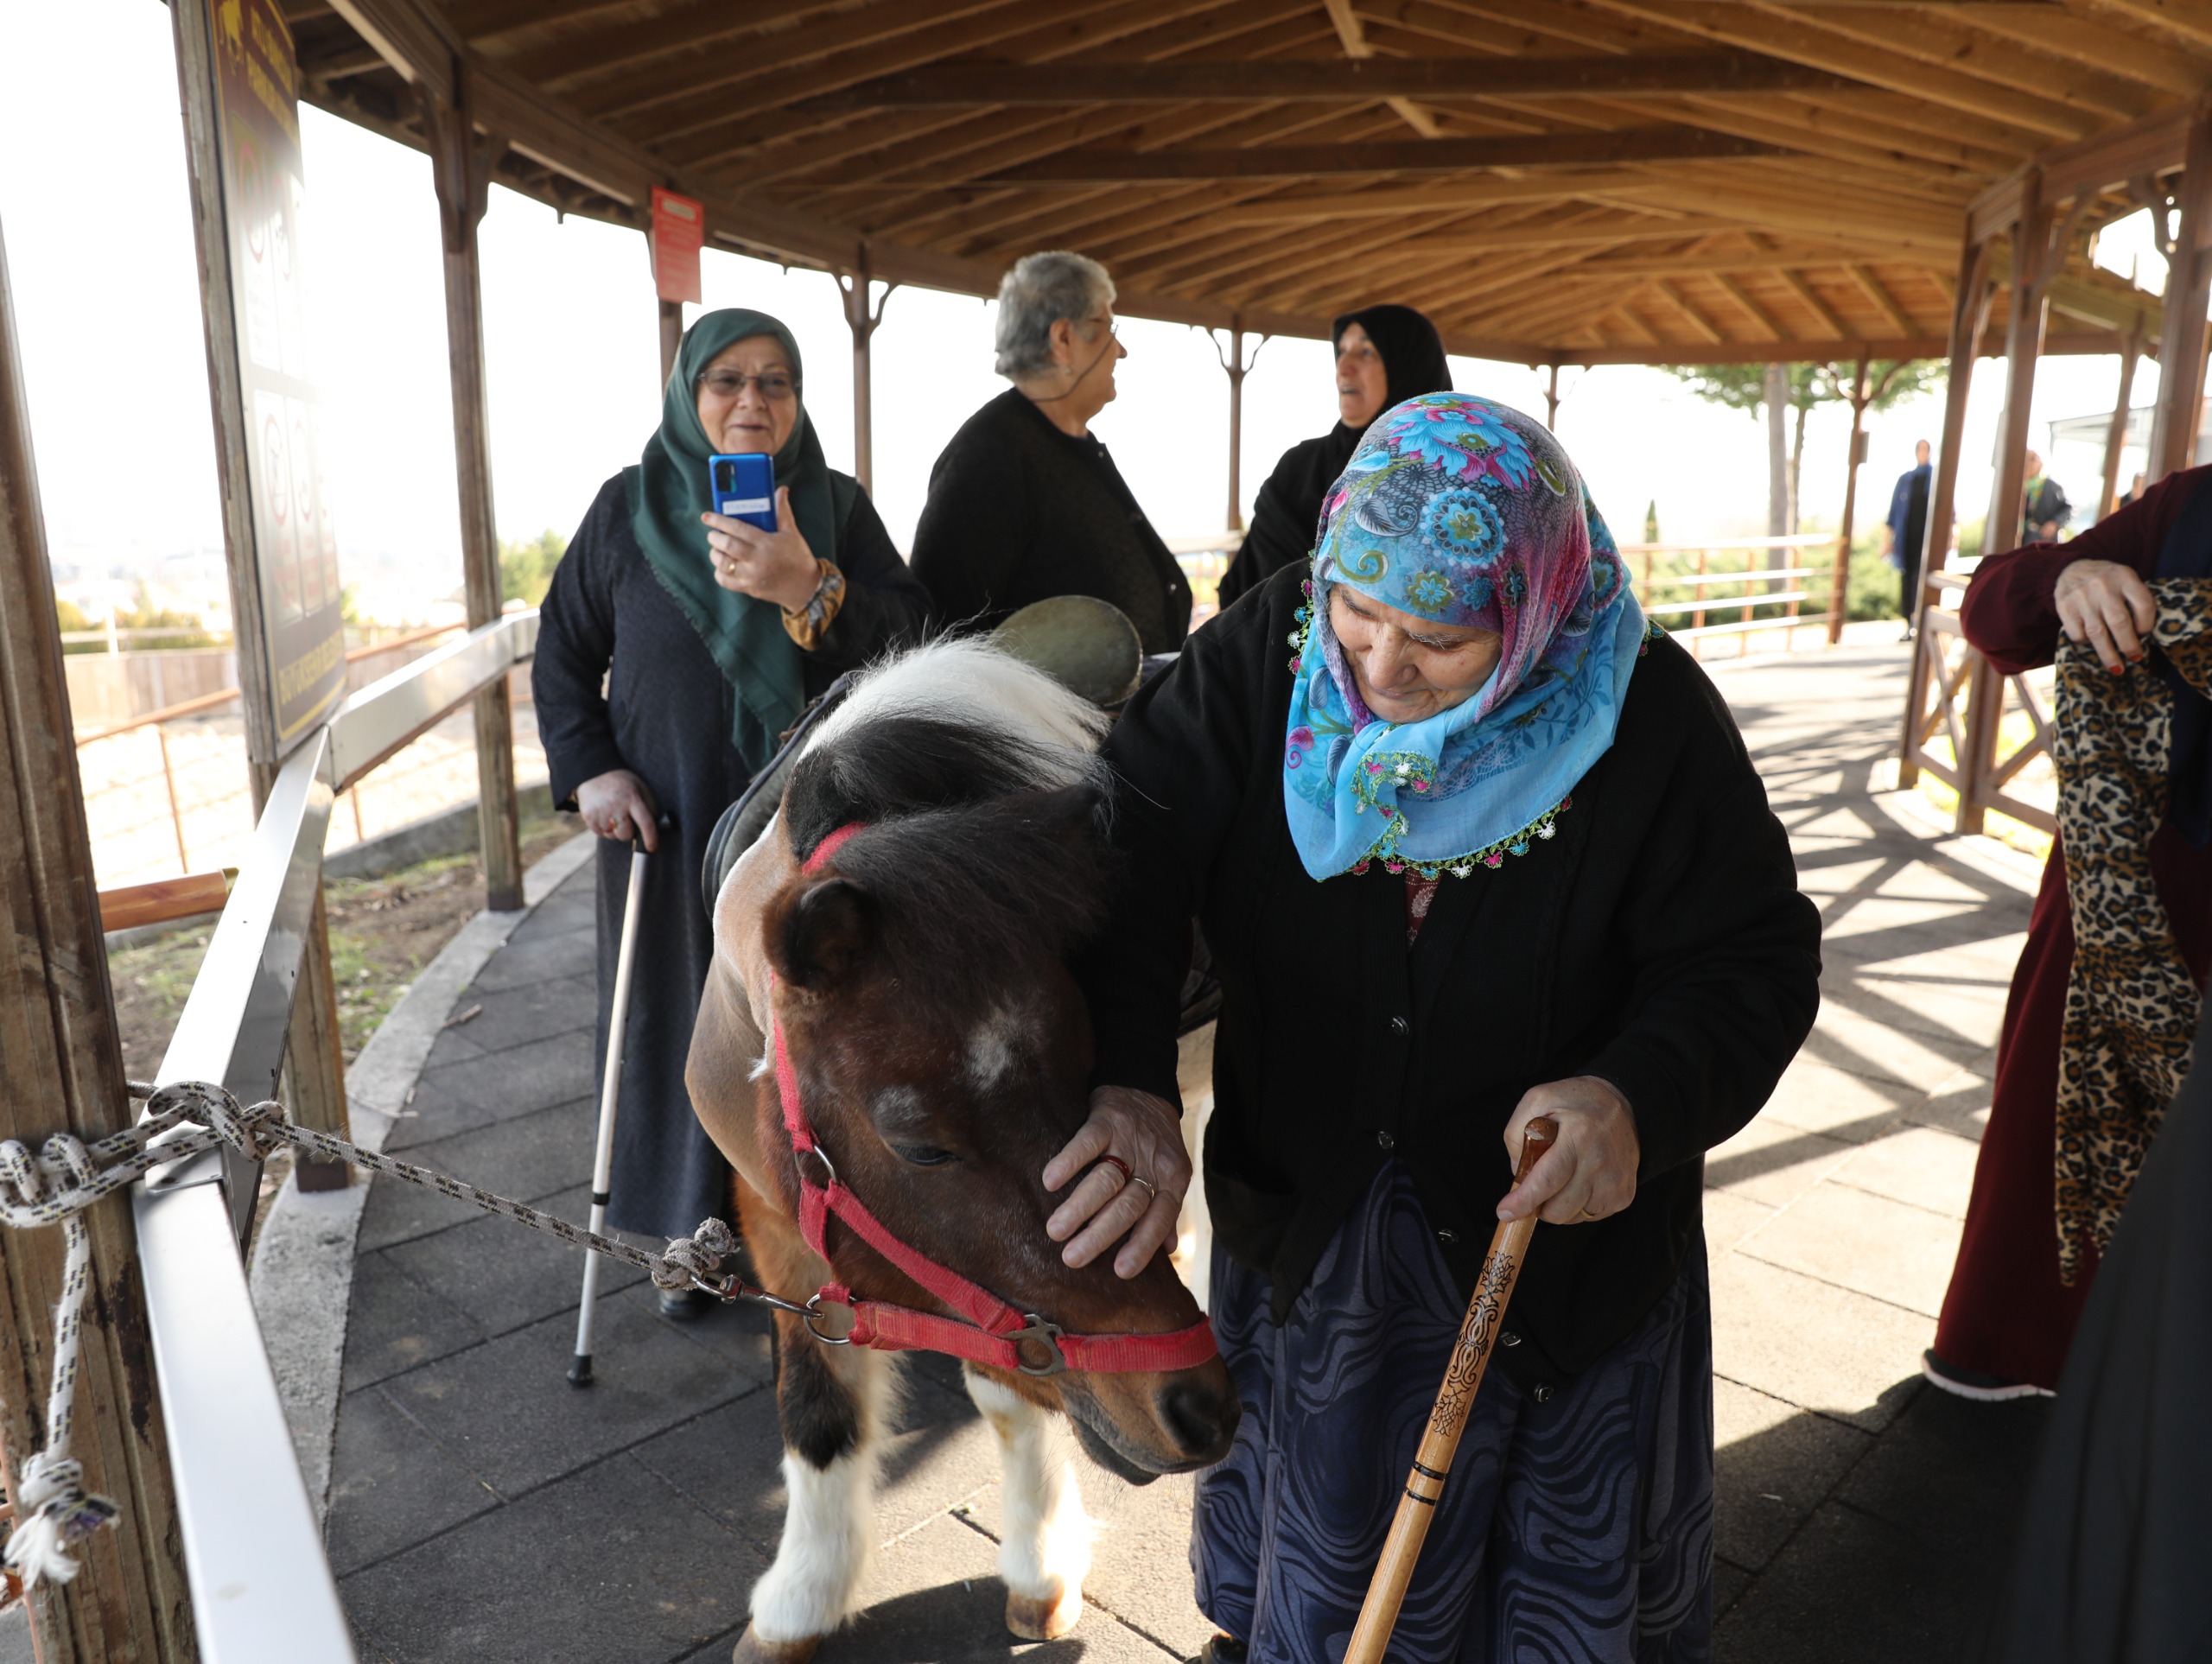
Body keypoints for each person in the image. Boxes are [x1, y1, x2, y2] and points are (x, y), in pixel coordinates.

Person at [1048, 393, 1822, 1662]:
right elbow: (1126, 866)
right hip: (1315, 1234)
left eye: (1445, 637)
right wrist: (1132, 1079)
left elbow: (1749, 957)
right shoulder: (1271, 657)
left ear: (1533, 603)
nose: (1382, 667)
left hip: (1547, 1271)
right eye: (1360, 608)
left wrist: (1633, 1096)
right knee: (1319, 1592)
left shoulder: (1646, 717)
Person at [532, 308, 929, 1314]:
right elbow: (563, 652)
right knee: (678, 1022)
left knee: (815, 1026)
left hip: (812, 826)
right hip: (666, 827)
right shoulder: (625, 510)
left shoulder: (834, 504)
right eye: (727, 381)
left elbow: (916, 644)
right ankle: (691, 1240)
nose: (752, 401)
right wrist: (591, 774)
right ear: (689, 394)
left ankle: (826, 1236)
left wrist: (810, 585)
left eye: (775, 383)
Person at [1930, 461, 2212, 1395]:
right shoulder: (2192, 505)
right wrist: (2064, 580)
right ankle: (2025, 1359)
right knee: (2054, 1168)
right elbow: (1989, 604)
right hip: (2139, 884)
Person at [910, 251, 1191, 652]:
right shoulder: (990, 457)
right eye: (1108, 326)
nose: (1121, 349)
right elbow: (941, 639)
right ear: (1064, 339)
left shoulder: (1068, 444)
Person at [1213, 305, 1452, 611]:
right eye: (1341, 351)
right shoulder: (1300, 469)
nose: (1343, 367)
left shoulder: (1450, 471)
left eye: (1366, 352)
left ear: (1409, 364)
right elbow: (1252, 592)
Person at [1882, 439, 1933, 636]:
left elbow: (1949, 513)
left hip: (1927, 540)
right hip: (1907, 539)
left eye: (1925, 449)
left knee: (1922, 580)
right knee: (1907, 579)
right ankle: (1908, 623)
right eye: (1919, 449)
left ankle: (1919, 622)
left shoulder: (1936, 477)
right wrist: (1887, 541)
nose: (1922, 452)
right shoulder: (1906, 479)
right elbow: (1893, 513)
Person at [2021, 450, 2071, 545]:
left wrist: (2055, 523)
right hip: (2021, 540)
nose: (2027, 463)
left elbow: (2068, 509)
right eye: (2025, 458)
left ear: (2040, 464)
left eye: (2032, 459)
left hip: (2043, 541)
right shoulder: (2015, 486)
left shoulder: (2052, 487)